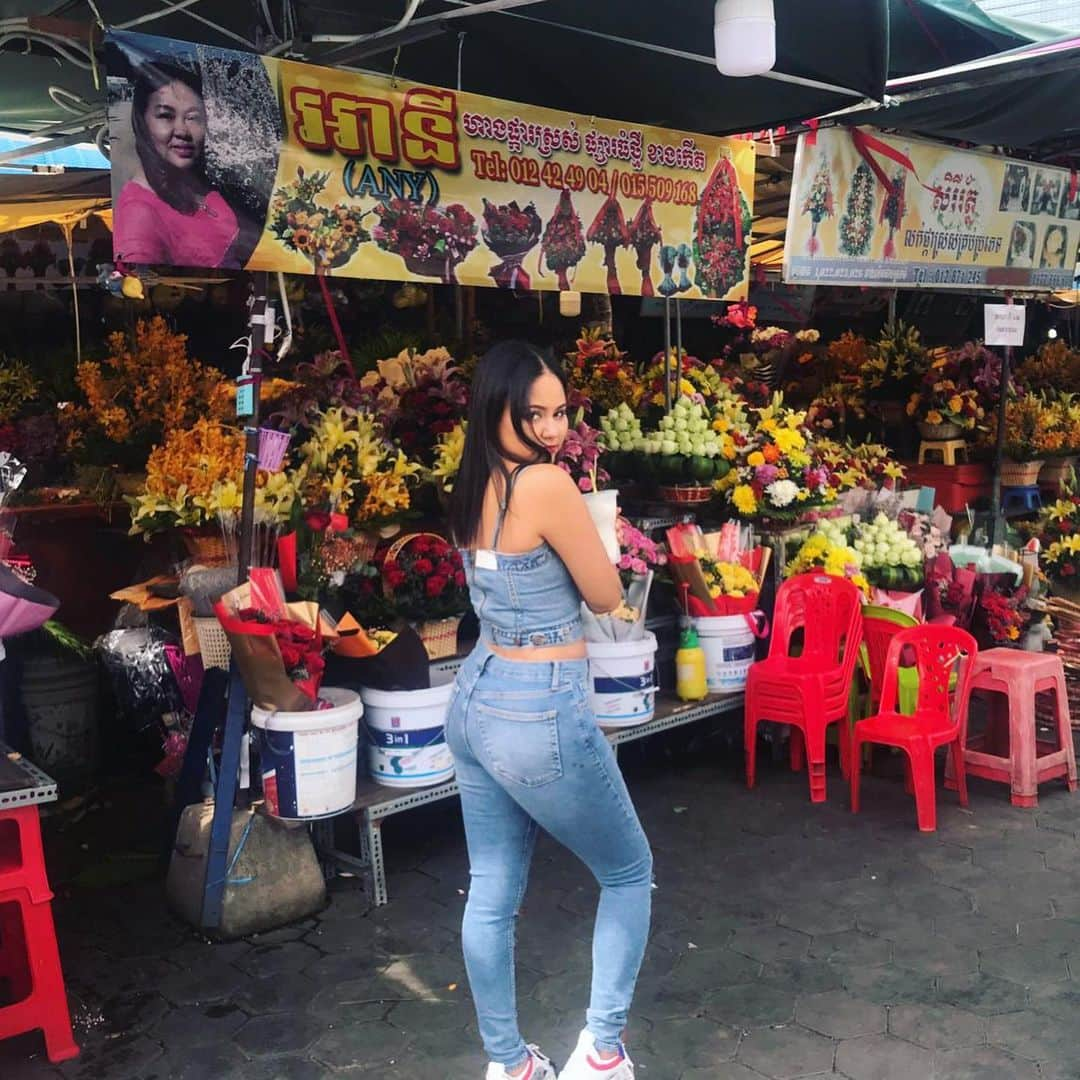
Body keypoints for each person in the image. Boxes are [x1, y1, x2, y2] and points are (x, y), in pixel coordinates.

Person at [447, 341, 652, 1080]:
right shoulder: (546, 485)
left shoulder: (473, 479)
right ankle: (600, 1052)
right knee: (629, 871)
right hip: (539, 705)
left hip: (475, 695)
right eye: (535, 413)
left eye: (561, 411)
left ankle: (509, 1064)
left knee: (493, 887)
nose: (554, 426)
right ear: (497, 408)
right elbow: (603, 593)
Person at [113, 61, 257, 268]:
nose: (182, 130)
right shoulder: (139, 215)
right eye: (166, 116)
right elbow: (140, 285)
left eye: (192, 117)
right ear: (142, 121)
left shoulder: (188, 179)